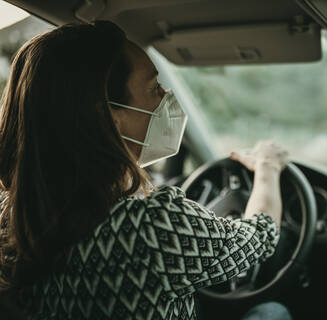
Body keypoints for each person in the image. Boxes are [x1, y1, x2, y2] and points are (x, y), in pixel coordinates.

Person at [0, 21, 291, 320]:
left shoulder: (9, 216)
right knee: (272, 311)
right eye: (154, 87)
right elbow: (260, 237)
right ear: (108, 117)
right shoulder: (152, 226)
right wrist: (268, 167)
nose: (166, 96)